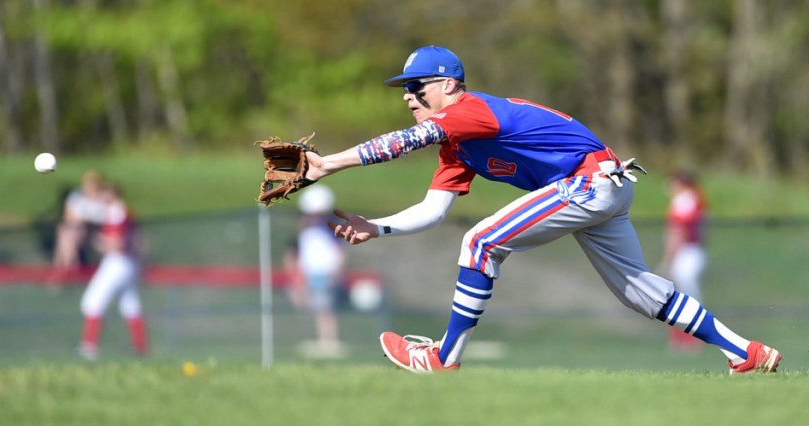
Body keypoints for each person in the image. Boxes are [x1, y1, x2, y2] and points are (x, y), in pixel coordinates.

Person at [305, 45, 781, 374]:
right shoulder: (457, 145)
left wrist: (328, 163)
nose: (408, 96)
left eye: (417, 86)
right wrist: (378, 227)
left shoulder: (468, 110)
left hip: (589, 182)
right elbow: (433, 210)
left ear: (448, 85)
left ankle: (443, 359)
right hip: (602, 186)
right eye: (404, 89)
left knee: (480, 241)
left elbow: (404, 142)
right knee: (641, 294)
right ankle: (747, 351)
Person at [78, 183, 147, 360]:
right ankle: (140, 348)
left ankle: (89, 348)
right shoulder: (125, 211)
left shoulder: (116, 212)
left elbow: (115, 244)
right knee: (130, 304)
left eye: (104, 194)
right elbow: (138, 238)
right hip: (130, 262)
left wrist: (95, 239)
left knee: (92, 302)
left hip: (117, 262)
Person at [284, 184, 349, 359]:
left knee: (324, 308)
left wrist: (336, 271)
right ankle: (321, 339)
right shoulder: (305, 229)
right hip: (310, 273)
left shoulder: (328, 227)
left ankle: (328, 341)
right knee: (315, 306)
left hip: (325, 272)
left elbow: (339, 251)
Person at [659, 171, 708, 353]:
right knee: (683, 294)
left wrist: (668, 260)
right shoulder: (695, 198)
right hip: (692, 252)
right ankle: (683, 339)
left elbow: (677, 233)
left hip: (686, 253)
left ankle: (690, 339)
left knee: (684, 296)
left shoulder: (684, 200)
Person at [48, 170, 108, 286]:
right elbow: (69, 216)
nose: (91, 185)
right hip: (77, 231)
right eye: (89, 182)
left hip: (96, 232)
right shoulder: (77, 196)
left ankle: (69, 272)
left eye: (94, 182)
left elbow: (106, 217)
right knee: (66, 235)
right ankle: (66, 271)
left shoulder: (103, 199)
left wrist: (87, 220)